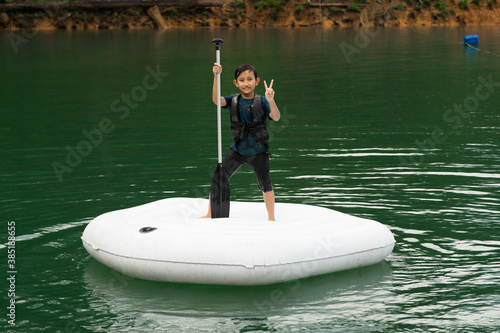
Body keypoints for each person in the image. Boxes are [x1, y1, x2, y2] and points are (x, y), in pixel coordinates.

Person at [202, 63, 281, 221]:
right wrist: (216, 76)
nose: (246, 83)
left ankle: (271, 218)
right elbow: (217, 100)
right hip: (238, 150)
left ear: (256, 81)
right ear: (236, 83)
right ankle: (209, 213)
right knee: (219, 178)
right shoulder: (233, 100)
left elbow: (277, 117)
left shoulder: (263, 101)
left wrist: (271, 100)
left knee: (266, 184)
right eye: (242, 80)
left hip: (258, 151)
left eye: (250, 79)